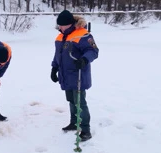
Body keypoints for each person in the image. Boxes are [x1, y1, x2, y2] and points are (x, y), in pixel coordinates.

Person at [51, 10, 99, 141]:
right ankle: (74, 122)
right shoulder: (60, 37)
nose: (59, 27)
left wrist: (84, 60)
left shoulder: (83, 35)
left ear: (70, 24)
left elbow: (93, 50)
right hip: (65, 75)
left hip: (78, 75)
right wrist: (54, 67)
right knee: (71, 101)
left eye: (62, 25)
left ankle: (85, 129)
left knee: (80, 102)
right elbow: (58, 55)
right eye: (59, 25)